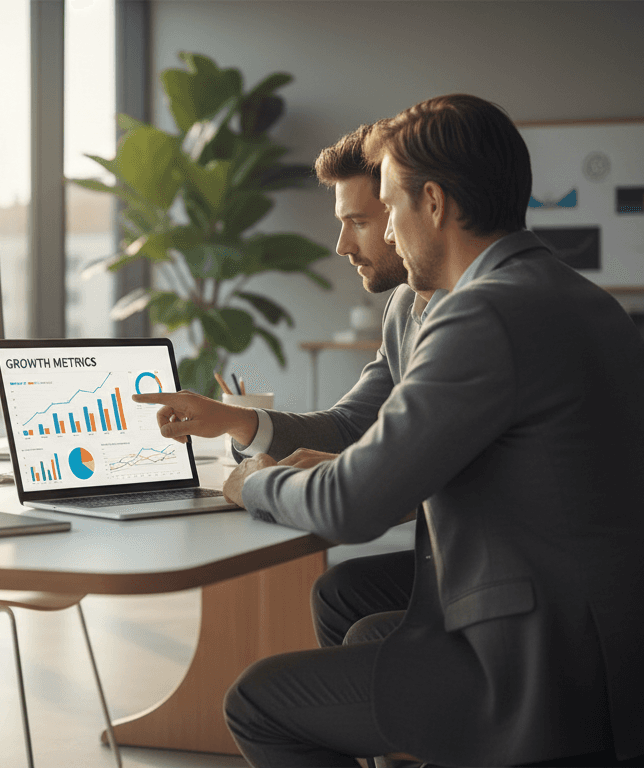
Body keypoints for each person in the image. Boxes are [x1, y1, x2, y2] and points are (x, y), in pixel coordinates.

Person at [138, 94, 644, 767]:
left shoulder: (483, 314)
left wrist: (254, 483)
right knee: (359, 609)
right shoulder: (574, 294)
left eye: (392, 207)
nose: (389, 233)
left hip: (556, 676)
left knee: (256, 701)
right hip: (637, 649)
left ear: (432, 203)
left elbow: (350, 506)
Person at [134, 121, 433, 650]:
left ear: (412, 207)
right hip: (453, 553)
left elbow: (381, 488)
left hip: (505, 576)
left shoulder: (476, 316)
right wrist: (233, 420)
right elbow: (350, 426)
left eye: (359, 221)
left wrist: (256, 485)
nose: (342, 244)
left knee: (265, 693)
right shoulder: (406, 305)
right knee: (341, 591)